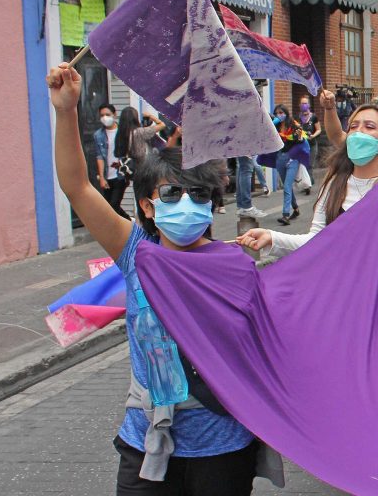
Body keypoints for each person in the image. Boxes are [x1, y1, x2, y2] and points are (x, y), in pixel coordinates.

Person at [47, 63, 262, 495]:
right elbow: (76, 186)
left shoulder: (236, 264)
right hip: (146, 443)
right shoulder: (136, 256)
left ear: (211, 205)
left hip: (222, 448)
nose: (187, 203)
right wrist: (66, 112)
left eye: (199, 194)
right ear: (147, 206)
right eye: (171, 193)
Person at [239, 95, 378, 257]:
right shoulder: (334, 183)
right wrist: (272, 238)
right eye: (353, 126)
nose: (358, 132)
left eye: (369, 126)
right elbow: (317, 241)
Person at [93, 104, 131, 218]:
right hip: (107, 176)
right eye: (102, 115)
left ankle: (128, 225)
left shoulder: (124, 132)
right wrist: (102, 177)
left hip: (120, 174)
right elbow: (99, 156)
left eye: (107, 114)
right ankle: (130, 222)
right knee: (109, 207)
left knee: (114, 205)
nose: (105, 117)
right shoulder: (98, 135)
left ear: (114, 115)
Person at [271, 105, 306, 225]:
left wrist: (299, 136)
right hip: (280, 158)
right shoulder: (275, 126)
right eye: (277, 113)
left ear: (286, 113)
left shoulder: (294, 125)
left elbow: (301, 139)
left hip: (293, 159)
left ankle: (285, 215)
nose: (279, 115)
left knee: (286, 186)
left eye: (281, 112)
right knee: (288, 187)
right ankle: (295, 208)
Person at [297, 95, 323, 168]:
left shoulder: (313, 117)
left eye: (305, 103)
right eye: (302, 103)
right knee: (302, 167)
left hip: (312, 145)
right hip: (301, 146)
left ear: (309, 105)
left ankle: (311, 180)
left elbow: (319, 129)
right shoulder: (297, 117)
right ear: (299, 105)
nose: (304, 105)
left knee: (309, 167)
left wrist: (313, 136)